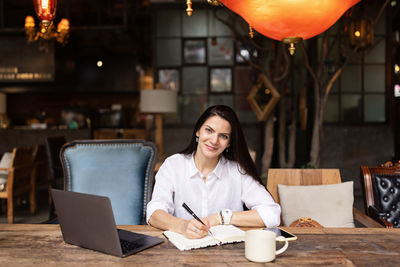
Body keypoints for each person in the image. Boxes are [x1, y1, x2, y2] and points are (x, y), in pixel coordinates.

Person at [146, 105, 280, 239]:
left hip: (228, 253)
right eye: (209, 130)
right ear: (198, 131)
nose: (214, 141)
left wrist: (221, 218)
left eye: (223, 136)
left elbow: (271, 214)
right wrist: (182, 226)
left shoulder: (238, 171)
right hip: (181, 252)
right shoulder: (173, 165)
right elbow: (153, 213)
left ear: (228, 143)